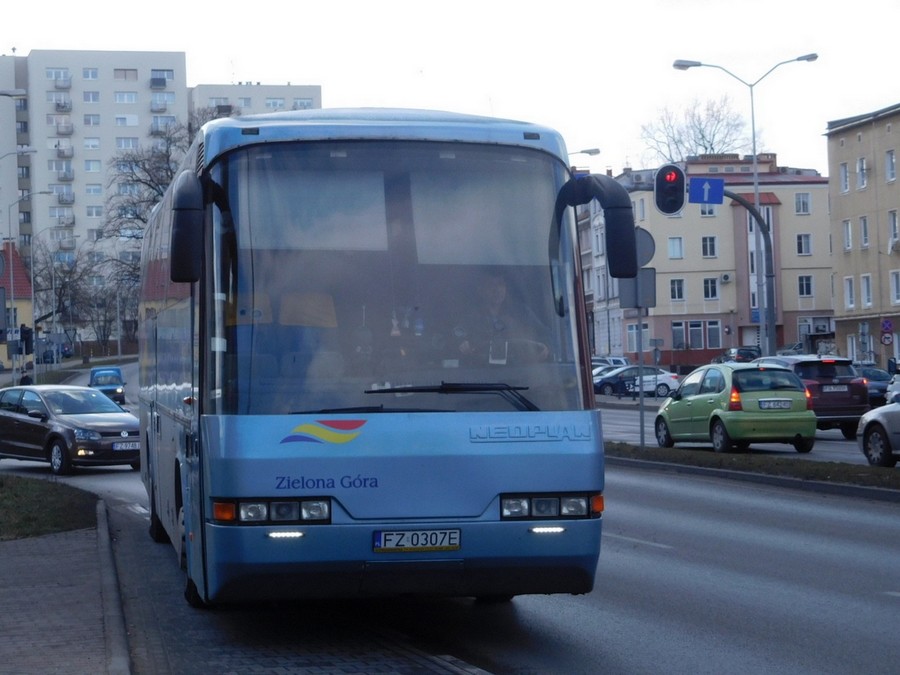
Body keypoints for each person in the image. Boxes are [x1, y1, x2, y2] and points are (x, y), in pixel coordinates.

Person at [453, 272, 550, 365]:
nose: (497, 289)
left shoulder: (522, 312)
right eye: (491, 285)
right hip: (480, 373)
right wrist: (462, 343)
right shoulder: (470, 316)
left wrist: (546, 347)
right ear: (480, 290)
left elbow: (545, 335)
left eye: (501, 284)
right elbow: (456, 335)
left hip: (520, 374)